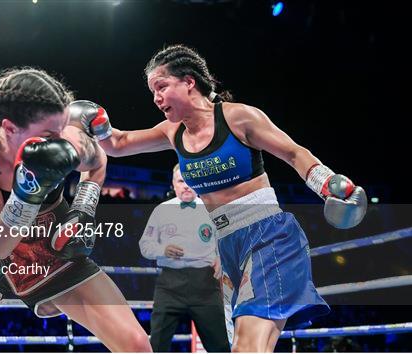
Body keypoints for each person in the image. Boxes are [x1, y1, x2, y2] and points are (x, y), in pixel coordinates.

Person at [71, 45, 368, 352]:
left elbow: (293, 152)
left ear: (188, 82)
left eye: (161, 87)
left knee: (246, 347)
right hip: (227, 245)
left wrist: (327, 183)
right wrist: (99, 125)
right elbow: (118, 144)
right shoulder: (172, 132)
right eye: (152, 91)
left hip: (268, 236)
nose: (156, 98)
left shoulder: (237, 118)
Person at [0, 68, 151, 352]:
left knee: (136, 343)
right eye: (47, 133)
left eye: (60, 129)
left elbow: (98, 160)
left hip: (53, 247)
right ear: (9, 128)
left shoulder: (65, 136)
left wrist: (82, 209)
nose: (58, 140)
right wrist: (26, 194)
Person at [139, 164, 230, 352]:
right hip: (170, 284)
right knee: (156, 345)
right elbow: (144, 246)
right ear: (173, 184)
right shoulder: (161, 210)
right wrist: (163, 250)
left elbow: (228, 239)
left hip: (205, 283)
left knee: (219, 345)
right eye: (181, 181)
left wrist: (222, 258)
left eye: (190, 180)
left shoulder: (212, 207)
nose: (186, 185)